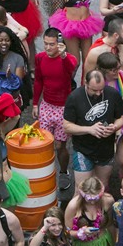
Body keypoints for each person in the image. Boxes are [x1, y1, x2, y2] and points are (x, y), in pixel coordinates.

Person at [63, 69, 123, 186]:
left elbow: (121, 118)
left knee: (102, 186)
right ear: (86, 83)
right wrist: (89, 129)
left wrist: (114, 127)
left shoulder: (112, 94)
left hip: (106, 149)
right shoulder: (75, 97)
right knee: (82, 188)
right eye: (94, 90)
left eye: (101, 90)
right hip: (83, 150)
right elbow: (67, 127)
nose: (98, 94)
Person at [33, 28, 78, 181]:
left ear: (59, 44)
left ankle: (63, 172)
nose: (47, 47)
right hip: (46, 106)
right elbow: (38, 81)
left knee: (60, 145)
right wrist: (35, 104)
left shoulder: (69, 58)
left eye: (51, 44)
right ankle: (45, 174)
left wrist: (64, 56)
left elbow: (71, 69)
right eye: (45, 44)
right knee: (45, 143)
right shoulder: (39, 58)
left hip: (64, 108)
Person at [48, 0, 103, 69]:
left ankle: (86, 79)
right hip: (70, 26)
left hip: (86, 25)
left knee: (88, 60)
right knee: (75, 61)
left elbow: (87, 6)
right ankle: (68, 78)